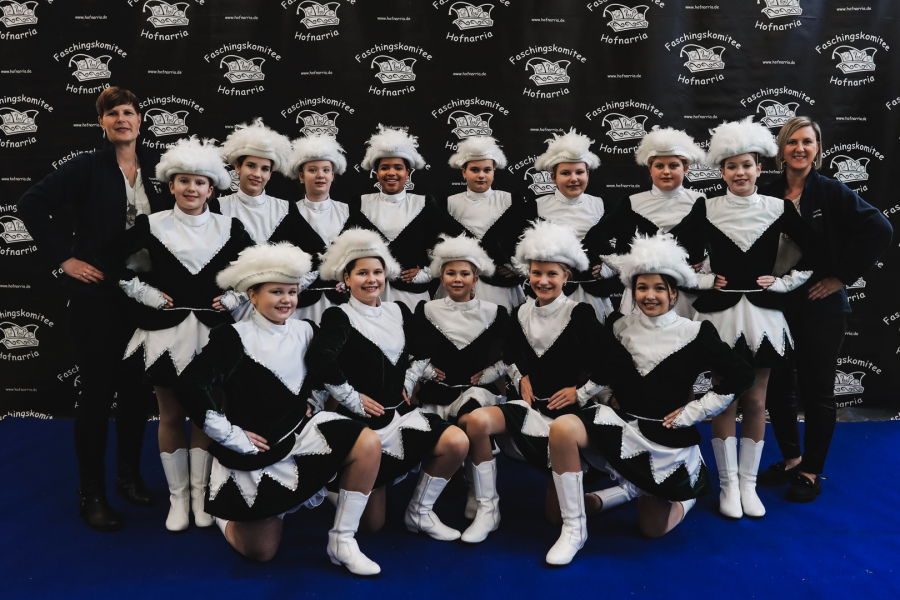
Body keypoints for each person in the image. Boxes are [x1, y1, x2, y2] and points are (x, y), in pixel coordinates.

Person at [545, 232, 755, 565]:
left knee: (652, 529)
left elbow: (742, 374)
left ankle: (677, 496)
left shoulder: (695, 332)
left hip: (664, 439)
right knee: (562, 429)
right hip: (620, 427)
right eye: (642, 288)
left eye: (659, 288)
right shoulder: (618, 326)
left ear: (674, 293)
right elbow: (605, 368)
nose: (650, 295)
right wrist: (607, 394)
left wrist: (696, 409)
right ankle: (574, 531)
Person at [175, 242, 382, 574]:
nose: (287, 300)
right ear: (253, 295)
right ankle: (223, 515)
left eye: (292, 292)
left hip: (302, 435)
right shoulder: (233, 336)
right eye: (276, 292)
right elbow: (190, 384)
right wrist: (229, 434)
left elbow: (320, 371)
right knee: (262, 553)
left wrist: (314, 400)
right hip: (259, 451)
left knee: (367, 441)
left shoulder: (306, 329)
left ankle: (343, 540)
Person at [16, 86, 168, 530]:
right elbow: (30, 204)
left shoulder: (161, 169)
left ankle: (128, 478)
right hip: (97, 297)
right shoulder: (86, 166)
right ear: (101, 123)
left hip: (145, 296)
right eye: (112, 113)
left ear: (140, 120)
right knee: (98, 394)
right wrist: (65, 259)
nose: (122, 119)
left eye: (128, 112)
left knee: (137, 393)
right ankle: (92, 493)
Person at [98, 136, 253, 531]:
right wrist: (142, 291)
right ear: (170, 186)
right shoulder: (152, 224)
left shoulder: (230, 226)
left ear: (211, 189)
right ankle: (178, 498)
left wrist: (236, 296)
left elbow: (256, 270)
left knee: (206, 415)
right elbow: (109, 259)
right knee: (170, 415)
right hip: (165, 336)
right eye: (183, 181)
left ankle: (201, 497)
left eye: (200, 182)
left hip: (213, 336)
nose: (191, 189)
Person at [670, 117, 820, 519]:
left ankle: (748, 484)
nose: (740, 172)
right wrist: (702, 280)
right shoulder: (706, 207)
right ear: (722, 171)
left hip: (763, 316)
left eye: (747, 165)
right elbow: (672, 252)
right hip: (721, 317)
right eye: (731, 166)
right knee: (724, 400)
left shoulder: (778, 207)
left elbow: (816, 252)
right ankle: (728, 485)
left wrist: (785, 283)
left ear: (759, 168)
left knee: (755, 400)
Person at [758, 116, 892, 502]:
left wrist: (841, 277)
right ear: (781, 149)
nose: (799, 148)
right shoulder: (766, 192)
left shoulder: (832, 191)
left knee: (817, 391)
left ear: (818, 149)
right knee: (778, 388)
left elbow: (880, 228)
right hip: (775, 306)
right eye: (792, 142)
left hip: (821, 306)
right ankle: (791, 459)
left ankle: (811, 470)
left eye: (807, 141)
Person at [307, 228, 470, 541]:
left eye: (377, 272)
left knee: (456, 442)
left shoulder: (398, 310)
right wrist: (351, 397)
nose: (371, 279)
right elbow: (319, 357)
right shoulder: (339, 316)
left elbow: (426, 346)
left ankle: (420, 512)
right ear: (346, 278)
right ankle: (340, 485)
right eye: (362, 273)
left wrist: (407, 379)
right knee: (373, 526)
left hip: (401, 416)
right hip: (363, 426)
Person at [460, 221, 615, 544]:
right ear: (527, 275)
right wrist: (522, 377)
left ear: (566, 277)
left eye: (552, 274)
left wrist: (580, 392)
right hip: (530, 410)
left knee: (554, 517)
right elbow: (511, 355)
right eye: (536, 273)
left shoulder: (580, 313)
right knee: (476, 421)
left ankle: (618, 493)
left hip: (567, 420)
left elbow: (610, 363)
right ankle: (488, 509)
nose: (543, 281)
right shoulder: (520, 312)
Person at [408, 235, 509, 525]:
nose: (457, 279)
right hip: (438, 391)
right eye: (451, 273)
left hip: (476, 391)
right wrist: (426, 371)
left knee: (470, 418)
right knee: (443, 438)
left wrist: (493, 372)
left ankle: (478, 494)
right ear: (441, 276)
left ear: (475, 278)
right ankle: (434, 493)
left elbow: (512, 353)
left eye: (465, 274)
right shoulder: (426, 310)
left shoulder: (495, 312)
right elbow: (413, 350)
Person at [587, 126, 707, 317]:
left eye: (673, 166)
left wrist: (706, 264)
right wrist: (622, 264)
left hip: (686, 293)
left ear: (685, 168)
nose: (666, 172)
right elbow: (596, 235)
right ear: (650, 169)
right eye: (659, 166)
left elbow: (718, 238)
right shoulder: (633, 202)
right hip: (644, 293)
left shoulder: (701, 201)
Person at [349, 124, 461, 310]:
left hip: (411, 295)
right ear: (376, 172)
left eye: (398, 167)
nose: (391, 173)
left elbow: (458, 240)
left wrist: (430, 272)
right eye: (384, 167)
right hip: (368, 293)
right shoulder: (360, 203)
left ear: (408, 173)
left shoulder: (423, 203)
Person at [214, 119, 295, 320]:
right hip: (230, 308)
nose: (257, 174)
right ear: (237, 166)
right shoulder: (217, 207)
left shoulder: (286, 208)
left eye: (264, 168)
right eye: (251, 165)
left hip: (276, 307)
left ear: (271, 173)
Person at [440, 136, 532, 310]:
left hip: (501, 287)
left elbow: (527, 240)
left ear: (494, 171)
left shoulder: (510, 200)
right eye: (475, 170)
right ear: (463, 172)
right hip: (460, 283)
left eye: (487, 170)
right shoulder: (449, 203)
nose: (481, 175)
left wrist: (516, 267)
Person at [533, 129, 615, 322]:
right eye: (565, 173)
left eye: (579, 172)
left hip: (594, 294)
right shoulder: (535, 206)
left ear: (587, 174)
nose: (574, 179)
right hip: (551, 294)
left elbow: (625, 244)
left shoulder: (603, 205)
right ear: (553, 177)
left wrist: (610, 267)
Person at [285, 134, 351, 322]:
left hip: (342, 301)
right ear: (301, 176)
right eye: (312, 170)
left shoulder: (348, 211)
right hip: (300, 304)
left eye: (326, 170)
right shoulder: (288, 211)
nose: (320, 175)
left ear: (332, 175)